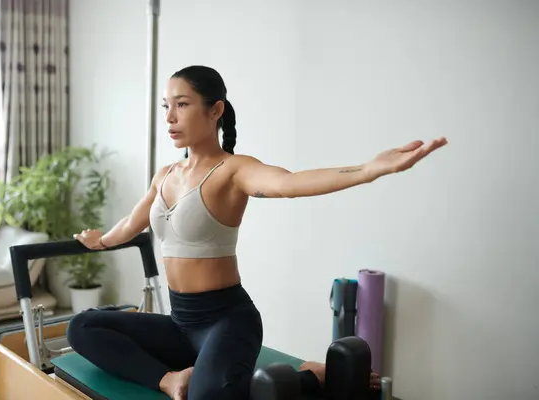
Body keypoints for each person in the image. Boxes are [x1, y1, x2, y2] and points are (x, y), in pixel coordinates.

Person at [67, 65, 447, 400]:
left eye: (181, 104)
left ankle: (309, 377)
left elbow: (291, 182)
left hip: (227, 320)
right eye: (165, 105)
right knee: (82, 327)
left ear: (215, 110)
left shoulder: (233, 171)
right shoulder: (164, 175)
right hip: (180, 324)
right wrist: (100, 240)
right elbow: (130, 225)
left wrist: (369, 169)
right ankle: (170, 379)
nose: (170, 117)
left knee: (211, 397)